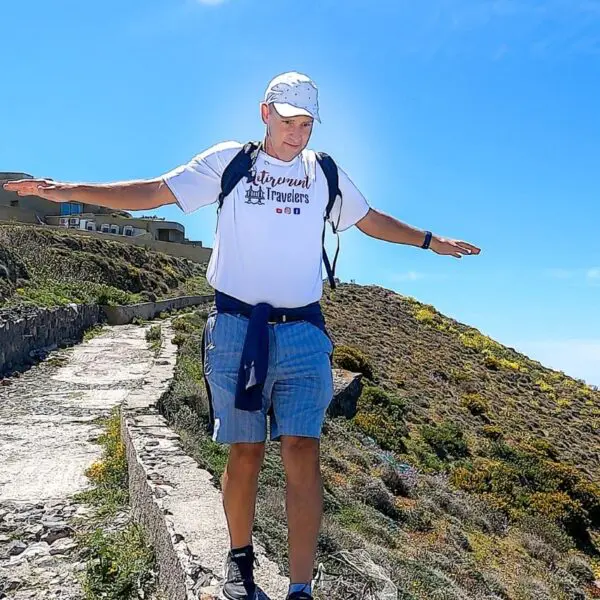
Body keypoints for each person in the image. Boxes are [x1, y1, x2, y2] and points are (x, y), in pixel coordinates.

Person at [4, 71, 481, 600]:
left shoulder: (324, 173)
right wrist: (67, 190)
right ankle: (240, 563)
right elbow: (153, 192)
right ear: (264, 114)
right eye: (287, 122)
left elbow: (369, 221)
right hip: (235, 327)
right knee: (246, 450)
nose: (297, 135)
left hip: (303, 331)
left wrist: (429, 241)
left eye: (306, 124)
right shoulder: (231, 162)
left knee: (303, 448)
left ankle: (301, 587)